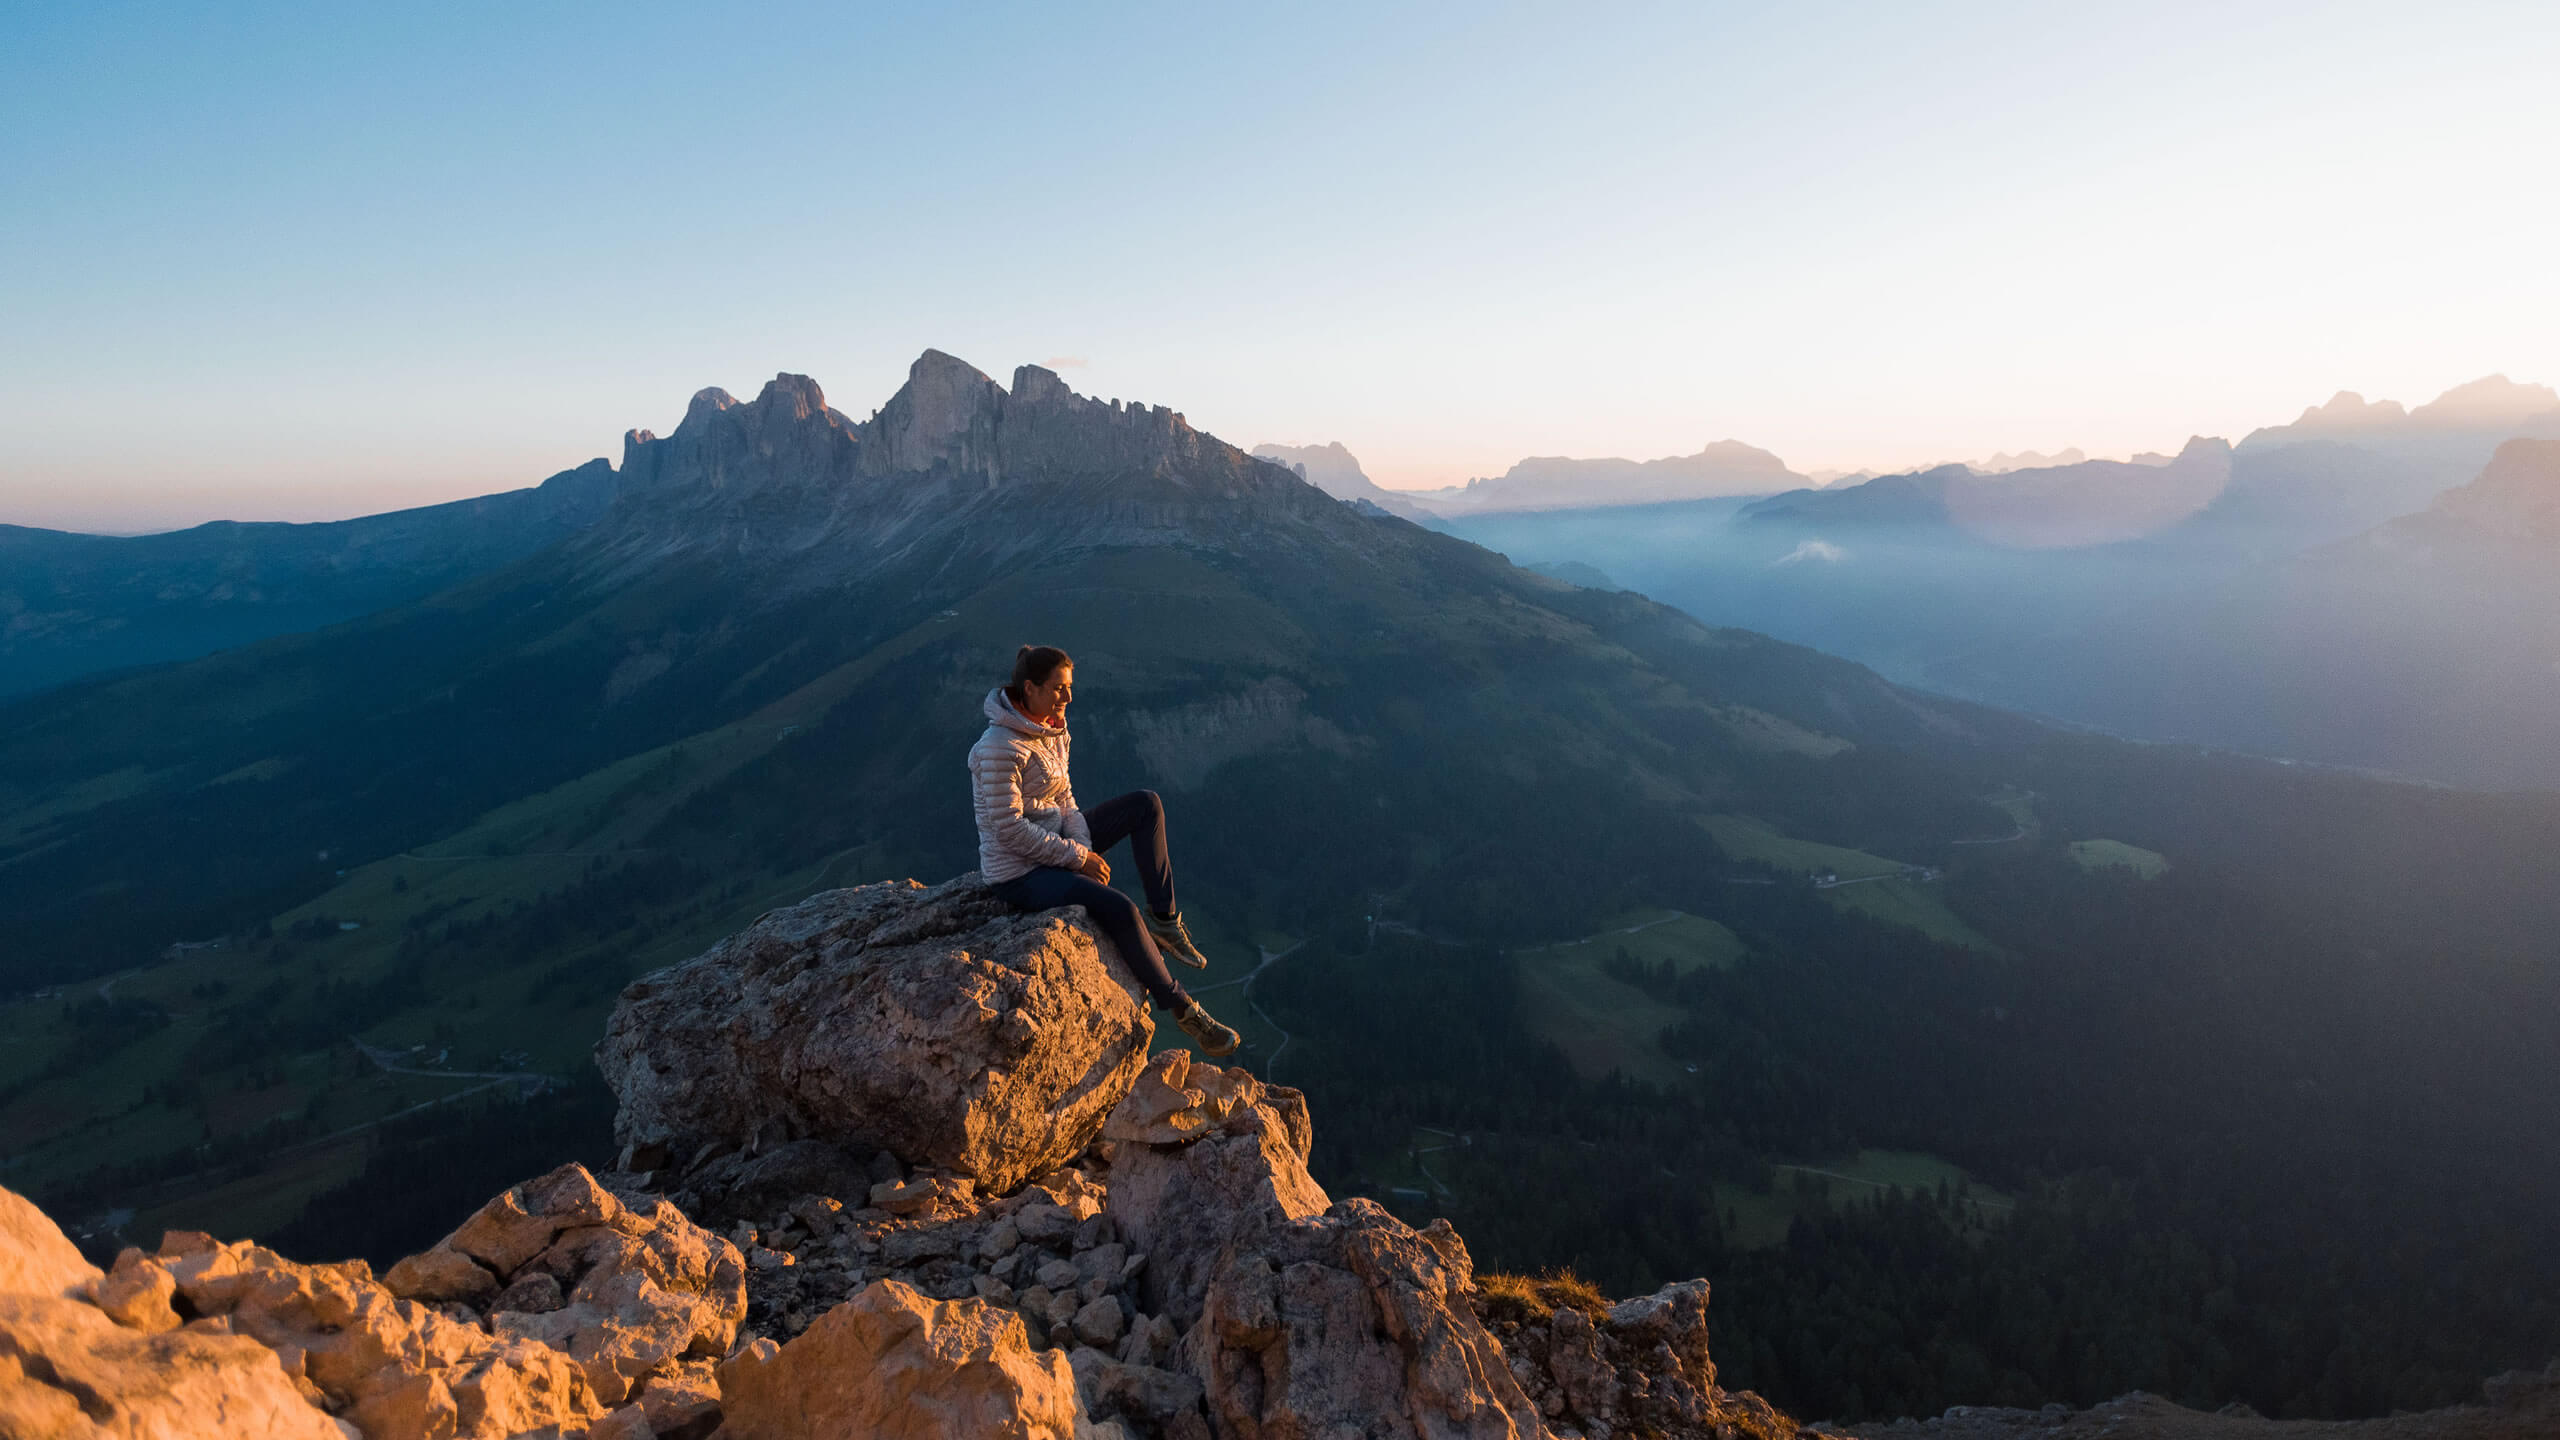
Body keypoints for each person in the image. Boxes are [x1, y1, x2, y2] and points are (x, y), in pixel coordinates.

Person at [970, 645, 1241, 1057]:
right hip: (1020, 874)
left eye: (1069, 687)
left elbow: (1066, 799)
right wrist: (1078, 859)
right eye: (1059, 689)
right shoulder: (998, 749)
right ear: (1031, 688)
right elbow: (1008, 830)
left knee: (1145, 804)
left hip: (1057, 845)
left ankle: (1165, 921)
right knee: (1118, 907)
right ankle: (1184, 1010)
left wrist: (1080, 846)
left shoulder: (1052, 728)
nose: (1068, 698)